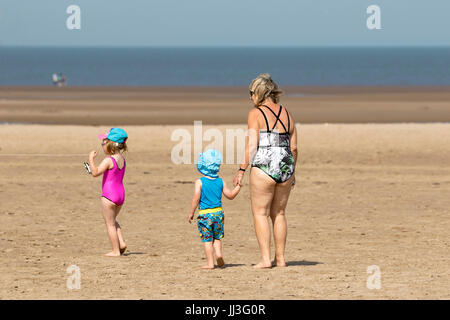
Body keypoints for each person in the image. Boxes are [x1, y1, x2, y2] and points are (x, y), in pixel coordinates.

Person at [233, 73, 298, 268]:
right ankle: (281, 259)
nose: (250, 97)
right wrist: (292, 172)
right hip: (286, 164)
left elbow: (252, 145)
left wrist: (241, 170)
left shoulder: (255, 114)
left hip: (264, 164)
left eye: (251, 93)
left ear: (260, 93)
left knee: (260, 213)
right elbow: (294, 147)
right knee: (279, 213)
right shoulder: (286, 113)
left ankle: (265, 259)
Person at [188, 149, 241, 269]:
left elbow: (196, 198)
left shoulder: (200, 182)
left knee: (207, 240)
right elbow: (230, 196)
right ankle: (219, 254)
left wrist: (191, 212)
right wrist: (238, 187)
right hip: (218, 213)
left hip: (205, 215)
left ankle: (210, 263)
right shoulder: (220, 181)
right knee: (217, 238)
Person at [89, 128, 128, 257]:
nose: (102, 146)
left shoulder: (108, 160)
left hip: (109, 195)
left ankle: (116, 251)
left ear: (110, 144)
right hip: (120, 195)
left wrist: (91, 160)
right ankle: (121, 243)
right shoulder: (122, 159)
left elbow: (95, 173)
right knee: (113, 220)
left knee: (109, 223)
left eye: (103, 143)